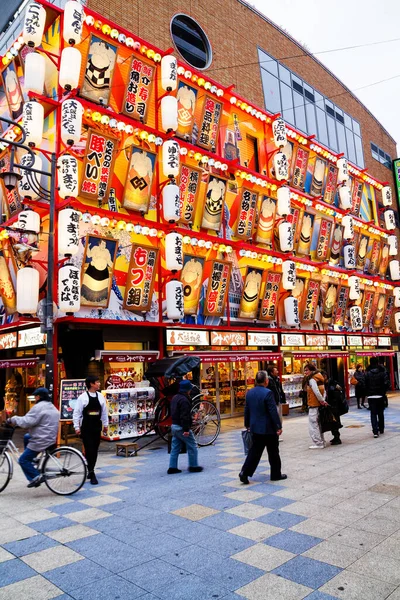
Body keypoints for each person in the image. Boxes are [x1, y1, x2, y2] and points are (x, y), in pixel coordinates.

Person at [239, 370, 286, 484]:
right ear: (266, 381)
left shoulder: (249, 393)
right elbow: (272, 411)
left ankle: (244, 472)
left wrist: (247, 424)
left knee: (254, 452)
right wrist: (278, 426)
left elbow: (247, 410)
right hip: (268, 428)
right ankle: (275, 474)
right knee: (273, 452)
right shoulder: (268, 393)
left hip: (255, 428)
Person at [10, 387, 59, 488]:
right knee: (27, 437)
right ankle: (33, 460)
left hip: (41, 439)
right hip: (49, 437)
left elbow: (27, 422)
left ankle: (36, 477)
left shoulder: (39, 407)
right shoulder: (51, 406)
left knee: (23, 460)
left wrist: (13, 419)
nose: (35, 399)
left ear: (39, 397)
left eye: (35, 396)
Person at [73, 376, 108, 484]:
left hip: (97, 426)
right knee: (89, 450)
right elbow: (77, 413)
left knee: (95, 449)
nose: (99, 383)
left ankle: (90, 469)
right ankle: (92, 472)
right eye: (97, 382)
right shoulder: (82, 397)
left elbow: (104, 412)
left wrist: (106, 424)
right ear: (91, 384)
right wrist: (76, 427)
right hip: (86, 428)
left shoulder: (101, 396)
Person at [168, 380, 203, 474]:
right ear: (187, 390)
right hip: (181, 427)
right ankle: (193, 465)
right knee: (192, 445)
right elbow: (185, 416)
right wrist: (186, 429)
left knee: (175, 447)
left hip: (174, 426)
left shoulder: (175, 398)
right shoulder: (184, 400)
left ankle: (172, 467)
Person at [304, 363, 329, 449]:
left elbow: (316, 392)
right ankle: (322, 441)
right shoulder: (320, 377)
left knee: (313, 424)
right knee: (319, 424)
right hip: (319, 404)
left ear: (311, 370)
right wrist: (323, 400)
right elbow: (324, 391)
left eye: (307, 370)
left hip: (314, 404)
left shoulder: (312, 379)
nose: (305, 372)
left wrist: (321, 400)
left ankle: (318, 443)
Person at [364, 357, 390, 438]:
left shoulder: (367, 373)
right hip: (380, 395)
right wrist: (383, 392)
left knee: (373, 413)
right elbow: (386, 383)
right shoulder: (382, 372)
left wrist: (368, 392)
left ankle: (375, 431)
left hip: (371, 396)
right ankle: (381, 428)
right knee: (380, 412)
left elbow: (364, 384)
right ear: (378, 362)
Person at [321, 370, 343, 445]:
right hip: (330, 405)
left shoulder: (332, 383)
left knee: (334, 421)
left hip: (334, 405)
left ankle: (337, 437)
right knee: (331, 421)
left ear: (325, 376)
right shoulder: (326, 384)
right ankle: (335, 436)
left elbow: (339, 389)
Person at [267, 365, 286, 429]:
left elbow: (280, 389)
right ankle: (275, 432)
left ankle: (278, 430)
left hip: (278, 401)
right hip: (273, 401)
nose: (277, 372)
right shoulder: (268, 381)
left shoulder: (277, 379)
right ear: (271, 372)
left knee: (280, 418)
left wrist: (283, 399)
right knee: (275, 417)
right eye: (276, 371)